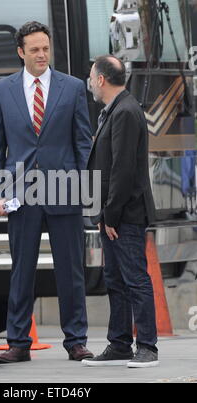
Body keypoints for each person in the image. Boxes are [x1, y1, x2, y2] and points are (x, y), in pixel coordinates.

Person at [0, 21, 93, 364]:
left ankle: (76, 341)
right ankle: (18, 343)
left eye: (45, 48)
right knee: (22, 270)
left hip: (65, 192)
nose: (42, 54)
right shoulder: (1, 90)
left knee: (71, 271)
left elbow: (83, 144)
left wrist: (86, 193)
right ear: (21, 52)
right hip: (19, 195)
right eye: (34, 49)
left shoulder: (72, 87)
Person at [83, 55, 159, 368]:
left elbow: (123, 169)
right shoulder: (115, 110)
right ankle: (119, 344)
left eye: (91, 77)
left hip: (125, 214)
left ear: (101, 79)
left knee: (135, 280)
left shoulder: (126, 111)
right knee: (114, 280)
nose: (89, 82)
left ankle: (147, 348)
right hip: (112, 213)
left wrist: (111, 215)